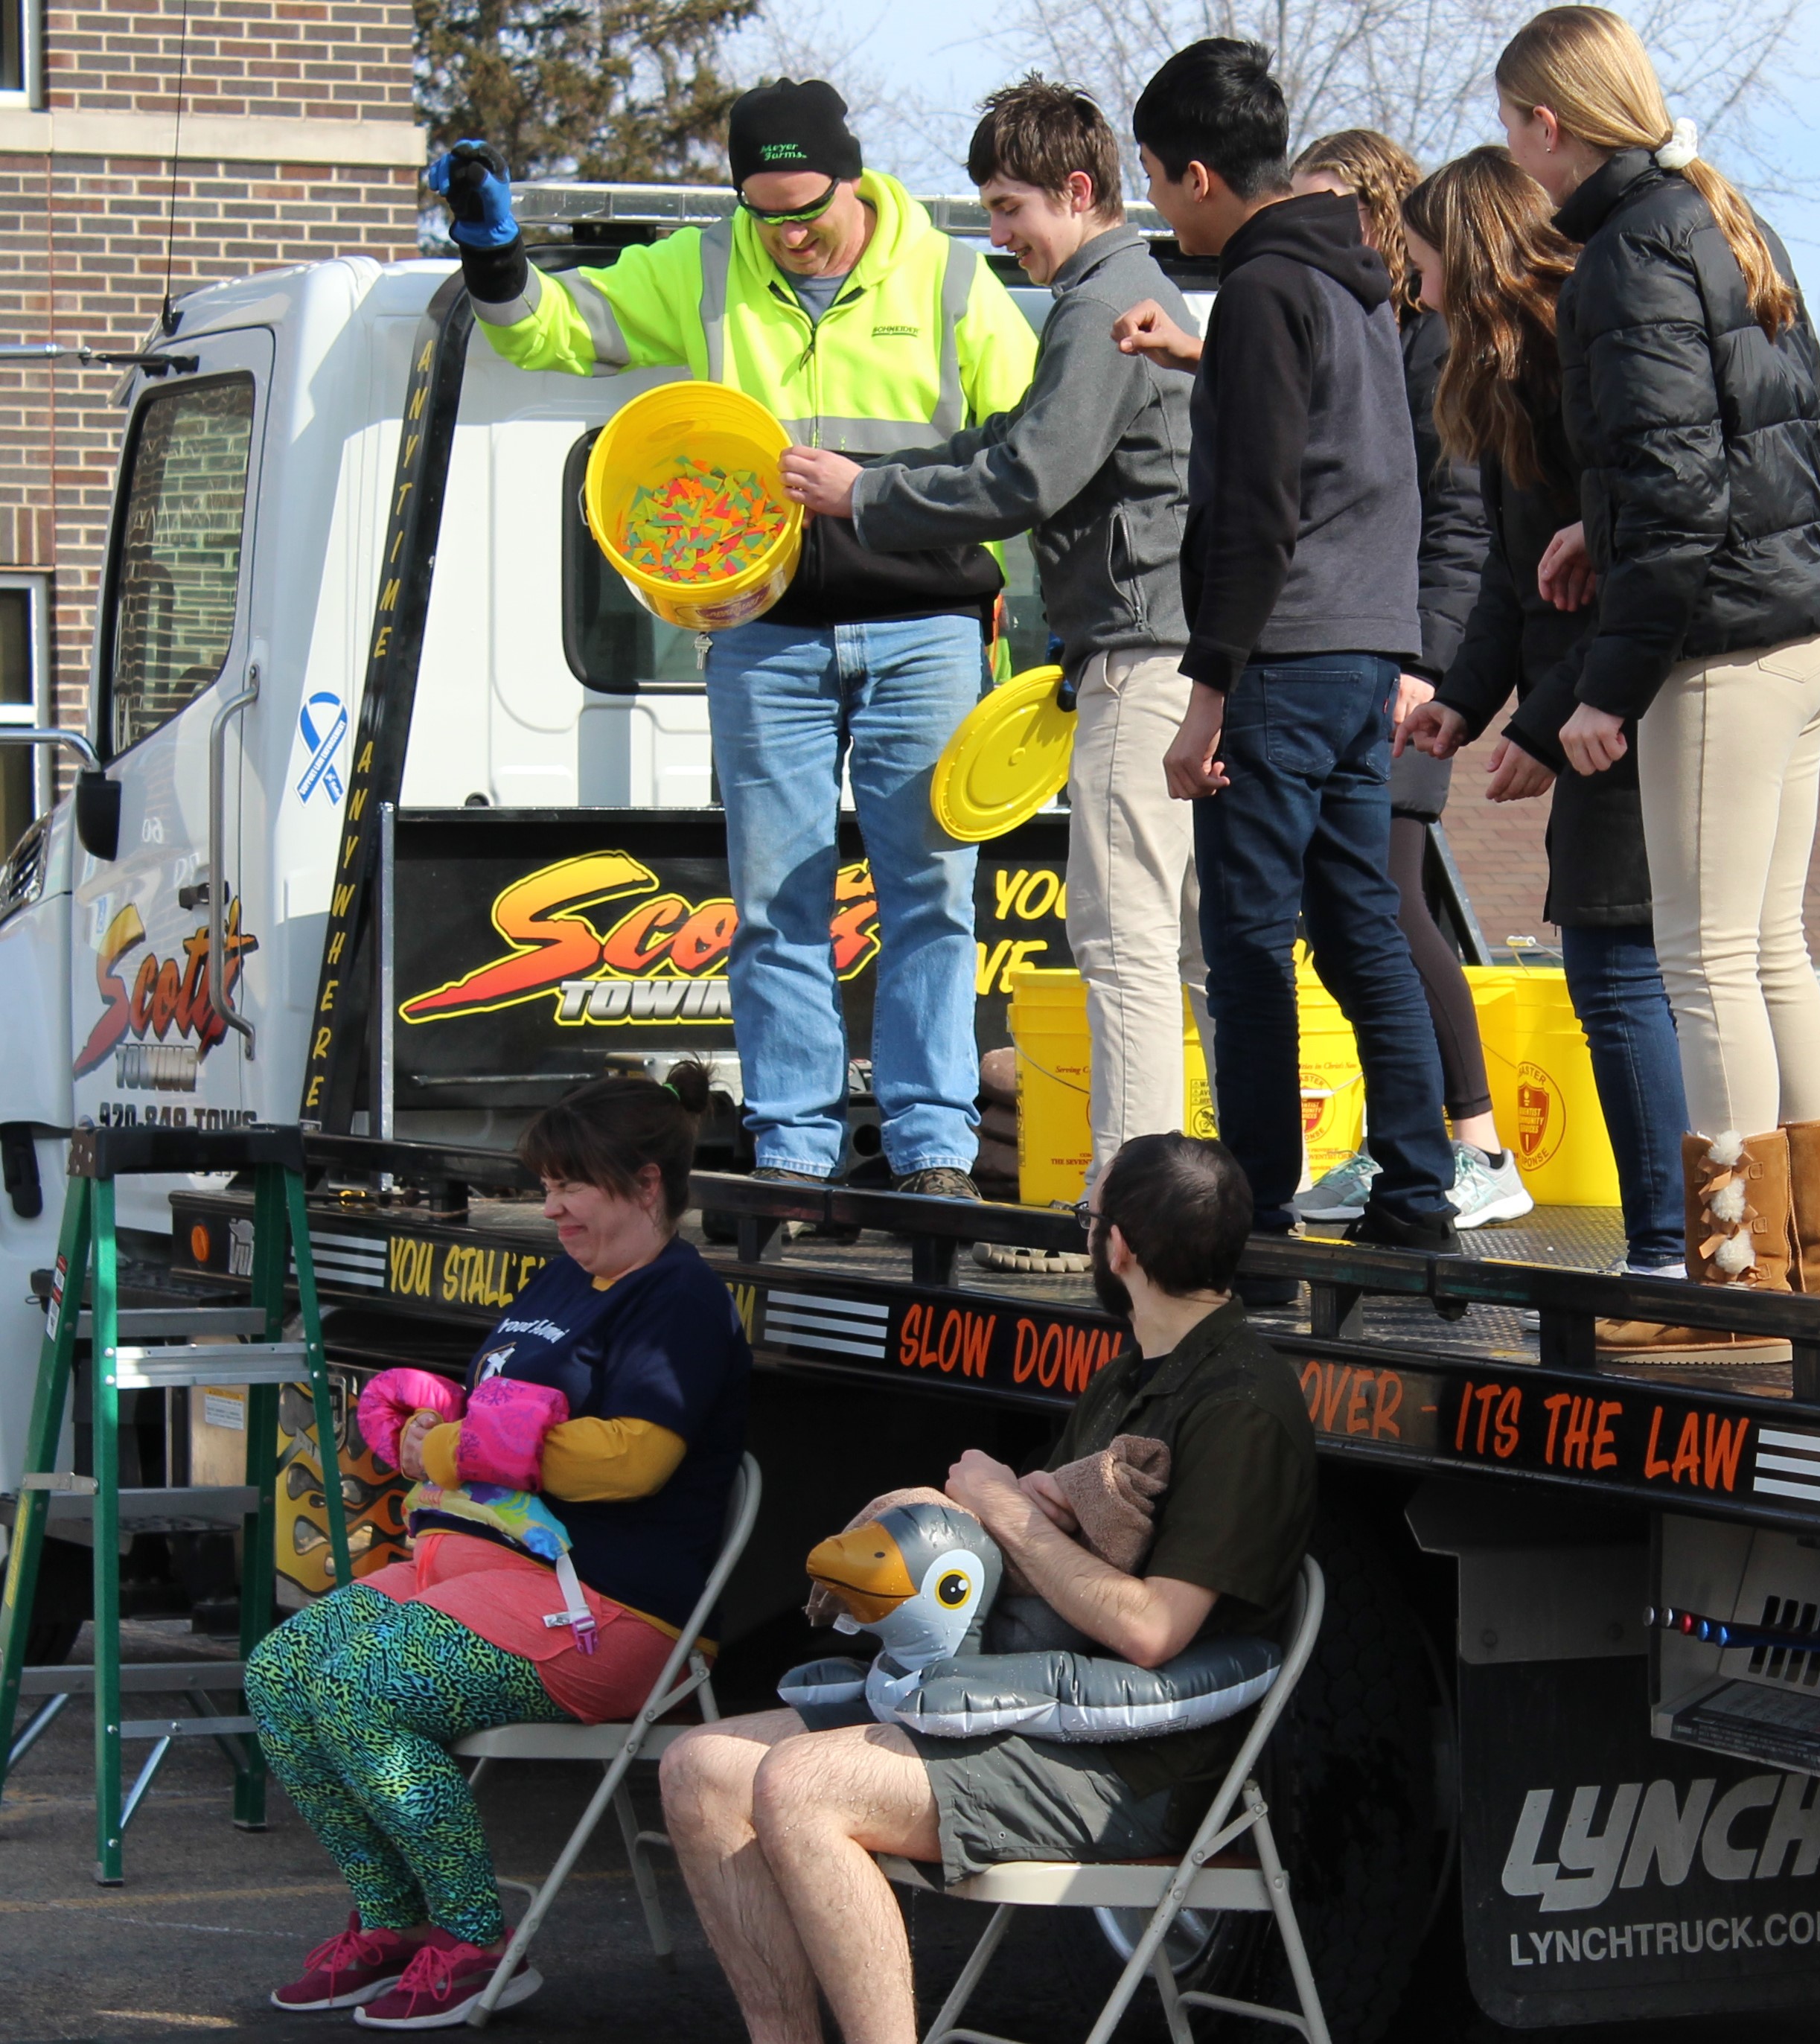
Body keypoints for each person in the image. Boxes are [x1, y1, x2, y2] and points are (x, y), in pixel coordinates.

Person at [427, 83, 1037, 1219]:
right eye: (764, 213)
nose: (789, 234)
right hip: (763, 636)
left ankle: (931, 1143)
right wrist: (494, 254)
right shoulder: (704, 268)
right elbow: (555, 331)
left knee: (930, 897)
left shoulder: (953, 277)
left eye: (806, 208)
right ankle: (797, 1147)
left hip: (929, 629)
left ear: (853, 178)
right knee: (776, 901)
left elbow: (1030, 446)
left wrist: (884, 497)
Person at [658, 1131, 1315, 2044]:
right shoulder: (1137, 1370)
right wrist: (980, 1510)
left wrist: (1008, 1511)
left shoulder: (1240, 1403)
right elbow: (1046, 1555)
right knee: (700, 1770)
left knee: (803, 1787)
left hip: (1142, 1769)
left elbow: (1154, 1630)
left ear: (1118, 1246)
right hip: (1034, 1706)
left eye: (1090, 1221)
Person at [778, 77, 1210, 1254]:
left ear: (1080, 191)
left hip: (1143, 654)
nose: (999, 233)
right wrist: (890, 476)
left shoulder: (1099, 299)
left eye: (1010, 206)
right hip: (1175, 652)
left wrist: (864, 496)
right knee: (1193, 945)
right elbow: (1010, 441)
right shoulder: (1109, 294)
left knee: (1123, 942)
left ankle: (1122, 1213)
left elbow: (1030, 477)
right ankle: (1208, 1198)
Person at [1494, 7, 1820, 1312]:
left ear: (1548, 124)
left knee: (1702, 960)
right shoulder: (1725, 218)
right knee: (1769, 946)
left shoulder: (1624, 257)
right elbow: (1746, 451)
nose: (1512, 151)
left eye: (1511, 126)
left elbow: (1673, 490)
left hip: (1721, 644)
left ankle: (1732, 1282)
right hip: (1808, 617)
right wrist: (1591, 533)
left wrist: (1604, 685)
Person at [246, 1070, 752, 2028]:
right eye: (547, 1183)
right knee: (281, 1671)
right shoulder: (568, 1270)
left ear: (647, 1185)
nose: (550, 1204)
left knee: (360, 1686)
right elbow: (503, 1404)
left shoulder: (678, 1297)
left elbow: (630, 1462)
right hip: (496, 1565)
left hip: (615, 1606)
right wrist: (453, 1421)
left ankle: (476, 1942)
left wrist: (454, 1444)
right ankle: (394, 1923)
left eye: (573, 1183)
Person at [1112, 39, 1462, 1298]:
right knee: (1358, 917)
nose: (1155, 205)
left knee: (1250, 940)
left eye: (1151, 180)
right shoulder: (1358, 282)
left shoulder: (1262, 290)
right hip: (1363, 646)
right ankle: (1417, 1186)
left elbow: (1253, 509)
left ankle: (1252, 1204)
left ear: (1196, 173)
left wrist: (1205, 698)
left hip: (1284, 648)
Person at [1396, 149, 1708, 1328]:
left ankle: (1669, 1251)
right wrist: (1464, 704)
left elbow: (1625, 583)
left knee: (1624, 971)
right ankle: (1671, 1241)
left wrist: (1538, 719)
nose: (1417, 293)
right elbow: (1516, 590)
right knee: (1618, 969)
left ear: (1468, 256)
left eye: (1423, 266)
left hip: (1624, 704)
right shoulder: (1507, 381)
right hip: (1582, 699)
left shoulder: (1567, 371)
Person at [1286, 130, 1530, 1232]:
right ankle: (1414, 1146)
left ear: (1386, 213)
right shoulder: (1363, 331)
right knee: (1356, 911)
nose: (1313, 228)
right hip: (1353, 663)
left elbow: (1464, 523)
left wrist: (1426, 665)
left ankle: (1474, 1147)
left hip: (1404, 671)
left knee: (1378, 906)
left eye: (1333, 207)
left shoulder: (1434, 345)